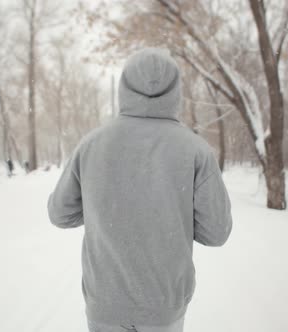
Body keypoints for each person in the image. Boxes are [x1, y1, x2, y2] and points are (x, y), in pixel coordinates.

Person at [47, 48, 233, 332]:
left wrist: (103, 201)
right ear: (175, 92)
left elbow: (60, 214)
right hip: (164, 307)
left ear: (124, 87)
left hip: (105, 305)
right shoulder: (196, 150)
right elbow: (216, 232)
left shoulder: (92, 145)